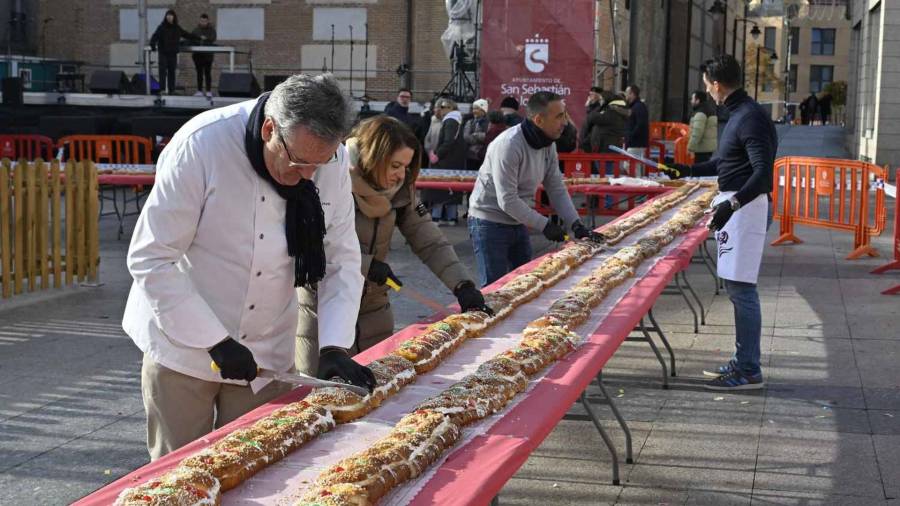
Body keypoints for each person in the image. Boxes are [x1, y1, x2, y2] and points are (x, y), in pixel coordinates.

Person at [123, 74, 375, 460]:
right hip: (183, 344)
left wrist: (335, 345)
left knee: (259, 470)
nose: (308, 176)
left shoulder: (329, 159)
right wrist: (214, 338)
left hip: (267, 350)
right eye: (298, 161)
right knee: (178, 475)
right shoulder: (202, 145)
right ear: (269, 128)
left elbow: (342, 255)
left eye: (318, 165)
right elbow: (151, 257)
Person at [296, 116, 492, 364]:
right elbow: (308, 242)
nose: (401, 175)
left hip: (374, 308)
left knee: (376, 385)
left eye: (407, 167)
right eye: (395, 165)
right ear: (374, 157)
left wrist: (463, 285)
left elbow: (429, 240)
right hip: (322, 308)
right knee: (321, 393)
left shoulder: (401, 190)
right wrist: (366, 264)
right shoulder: (330, 177)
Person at [660, 55, 777, 391]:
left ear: (716, 84)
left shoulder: (750, 117)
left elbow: (762, 175)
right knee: (736, 287)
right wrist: (686, 171)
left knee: (742, 290)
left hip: (746, 208)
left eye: (707, 85)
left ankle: (750, 370)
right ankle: (743, 361)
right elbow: (725, 163)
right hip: (735, 206)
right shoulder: (738, 114)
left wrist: (733, 204)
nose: (707, 91)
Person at [468, 91, 605, 286]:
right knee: (495, 289)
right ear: (539, 120)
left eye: (564, 115)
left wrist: (576, 224)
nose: (565, 122)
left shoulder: (547, 144)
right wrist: (545, 225)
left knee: (524, 284)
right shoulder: (508, 145)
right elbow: (507, 200)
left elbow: (555, 186)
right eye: (559, 116)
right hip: (489, 221)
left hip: (517, 220)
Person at [428, 98, 467, 224]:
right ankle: (451, 217)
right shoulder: (456, 120)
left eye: (442, 107)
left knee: (438, 189)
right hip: (453, 160)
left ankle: (435, 217)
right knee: (452, 190)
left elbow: (448, 141)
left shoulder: (450, 120)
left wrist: (437, 155)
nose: (439, 110)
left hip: (445, 161)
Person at [150, 9, 196, 95]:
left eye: (171, 16)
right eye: (168, 16)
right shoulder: (161, 27)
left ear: (174, 17)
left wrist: (197, 38)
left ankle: (171, 90)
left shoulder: (177, 28)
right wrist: (152, 44)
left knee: (172, 72)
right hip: (163, 52)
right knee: (162, 71)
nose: (169, 17)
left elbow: (186, 34)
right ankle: (162, 89)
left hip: (172, 53)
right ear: (166, 17)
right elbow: (155, 36)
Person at [624, 84, 649, 176]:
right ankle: (637, 184)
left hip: (636, 143)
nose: (625, 95)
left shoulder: (638, 107)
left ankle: (638, 186)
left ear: (632, 94)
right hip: (633, 142)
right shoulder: (634, 106)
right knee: (631, 165)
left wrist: (631, 135)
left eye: (627, 93)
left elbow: (641, 124)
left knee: (632, 166)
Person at [687, 90, 718, 163]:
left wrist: (690, 147)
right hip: (707, 148)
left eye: (692, 99)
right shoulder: (709, 110)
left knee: (699, 170)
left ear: (698, 100)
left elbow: (697, 132)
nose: (691, 101)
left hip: (701, 149)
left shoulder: (700, 113)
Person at [191, 13, 216, 97]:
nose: (203, 22)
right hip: (198, 55)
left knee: (207, 73)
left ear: (207, 21)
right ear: (200, 20)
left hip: (208, 56)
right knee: (199, 73)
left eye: (205, 21)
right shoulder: (196, 30)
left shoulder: (211, 30)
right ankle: (199, 91)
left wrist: (206, 39)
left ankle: (208, 91)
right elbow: (192, 39)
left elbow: (213, 38)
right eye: (202, 21)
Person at [464, 98, 490, 169]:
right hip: (471, 155)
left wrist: (476, 135)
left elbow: (488, 137)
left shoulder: (489, 123)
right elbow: (466, 137)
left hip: (484, 155)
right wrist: (478, 138)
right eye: (473, 109)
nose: (474, 111)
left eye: (476, 109)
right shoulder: (470, 122)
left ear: (483, 110)